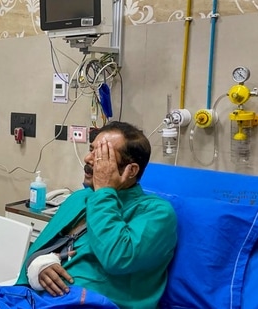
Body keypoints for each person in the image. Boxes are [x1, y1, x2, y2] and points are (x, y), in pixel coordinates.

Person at [16, 121, 178, 309]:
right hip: (41, 299)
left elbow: (117, 258)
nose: (87, 158)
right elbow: (39, 250)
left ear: (131, 170)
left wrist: (104, 192)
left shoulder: (157, 213)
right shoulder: (80, 198)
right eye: (91, 150)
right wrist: (39, 266)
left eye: (102, 156)